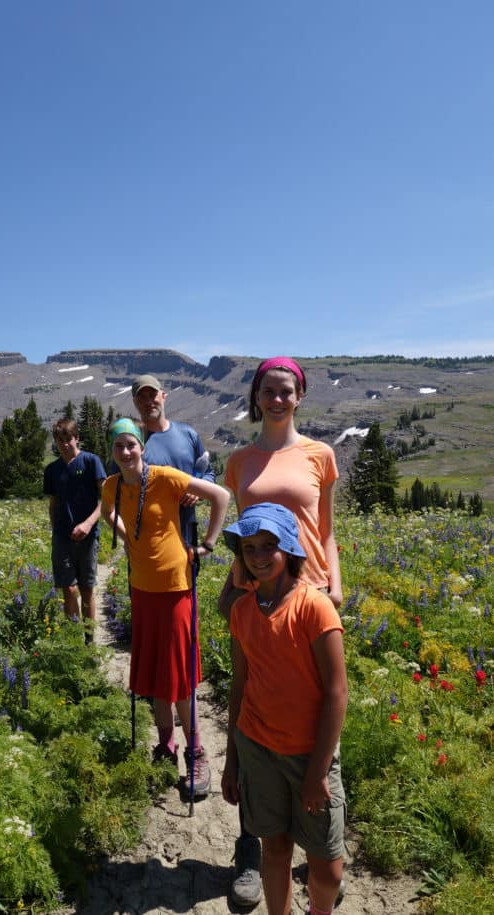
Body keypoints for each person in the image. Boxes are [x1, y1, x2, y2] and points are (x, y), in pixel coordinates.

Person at [219, 356, 343, 907]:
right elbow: (246, 534)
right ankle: (258, 857)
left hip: (309, 600)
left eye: (286, 390)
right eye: (267, 390)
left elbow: (327, 533)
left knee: (313, 706)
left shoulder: (320, 454)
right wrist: (231, 584)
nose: (276, 398)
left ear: (299, 396)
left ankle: (321, 851)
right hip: (254, 595)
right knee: (258, 711)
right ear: (255, 396)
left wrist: (333, 586)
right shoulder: (239, 461)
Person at [221, 503, 347, 915]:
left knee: (326, 865)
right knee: (274, 847)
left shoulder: (314, 607)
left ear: (290, 548)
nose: (257, 556)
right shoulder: (241, 612)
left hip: (311, 753)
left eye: (268, 546)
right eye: (249, 547)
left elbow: (336, 693)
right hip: (258, 747)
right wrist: (231, 762)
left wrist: (317, 771)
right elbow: (239, 686)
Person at [101, 418, 230, 799]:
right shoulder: (112, 485)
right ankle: (166, 746)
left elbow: (220, 496)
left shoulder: (166, 477)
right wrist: (129, 538)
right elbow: (109, 514)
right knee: (158, 673)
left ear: (142, 445)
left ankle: (196, 752)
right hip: (142, 589)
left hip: (176, 587)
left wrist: (206, 545)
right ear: (112, 451)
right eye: (118, 446)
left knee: (179, 675)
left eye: (131, 444)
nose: (125, 452)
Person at [131, 374, 215, 544]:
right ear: (135, 402)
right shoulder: (132, 443)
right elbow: (117, 487)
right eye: (142, 397)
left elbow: (209, 473)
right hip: (149, 537)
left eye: (153, 395)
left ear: (163, 396)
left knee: (188, 571)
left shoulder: (188, 434)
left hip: (186, 531)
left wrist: (197, 492)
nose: (149, 402)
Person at [43, 418, 106, 641]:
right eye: (60, 440)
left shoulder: (91, 462)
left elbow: (106, 500)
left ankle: (89, 641)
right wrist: (55, 530)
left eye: (68, 439)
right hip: (62, 537)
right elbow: (53, 503)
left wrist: (88, 524)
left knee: (87, 589)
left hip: (89, 537)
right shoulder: (52, 470)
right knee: (68, 589)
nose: (65, 444)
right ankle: (73, 641)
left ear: (76, 438)